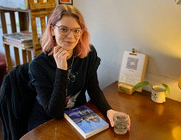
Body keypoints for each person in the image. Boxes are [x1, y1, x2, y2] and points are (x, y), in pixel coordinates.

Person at [28, 4, 130, 132]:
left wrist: (109, 110)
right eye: (64, 29)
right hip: (47, 121)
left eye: (76, 30)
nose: (71, 37)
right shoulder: (38, 65)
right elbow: (55, 113)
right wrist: (61, 69)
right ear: (52, 30)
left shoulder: (88, 53)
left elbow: (93, 88)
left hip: (78, 115)